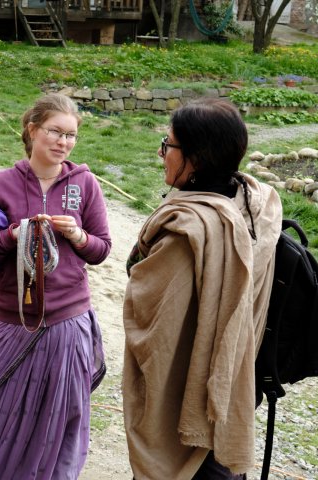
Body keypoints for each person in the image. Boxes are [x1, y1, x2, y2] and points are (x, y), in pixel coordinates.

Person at [0, 93, 112, 479]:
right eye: (55, 132)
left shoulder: (85, 184)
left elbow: (102, 249)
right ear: (32, 130)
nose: (63, 142)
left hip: (68, 324)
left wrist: (78, 236)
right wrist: (12, 235)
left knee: (55, 420)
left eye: (71, 135)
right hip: (11, 322)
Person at [122, 98, 283, 479]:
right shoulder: (258, 206)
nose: (161, 153)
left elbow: (155, 331)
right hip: (236, 378)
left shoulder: (187, 233)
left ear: (194, 158)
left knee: (190, 466)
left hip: (189, 395)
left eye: (168, 144)